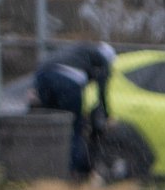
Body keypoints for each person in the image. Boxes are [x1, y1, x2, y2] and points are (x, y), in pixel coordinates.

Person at [27, 40, 114, 180]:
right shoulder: (103, 59)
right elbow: (102, 89)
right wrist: (107, 115)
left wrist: (36, 92)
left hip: (42, 75)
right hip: (68, 81)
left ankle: (41, 169)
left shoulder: (77, 48)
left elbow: (46, 64)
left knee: (48, 126)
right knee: (73, 128)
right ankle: (73, 172)